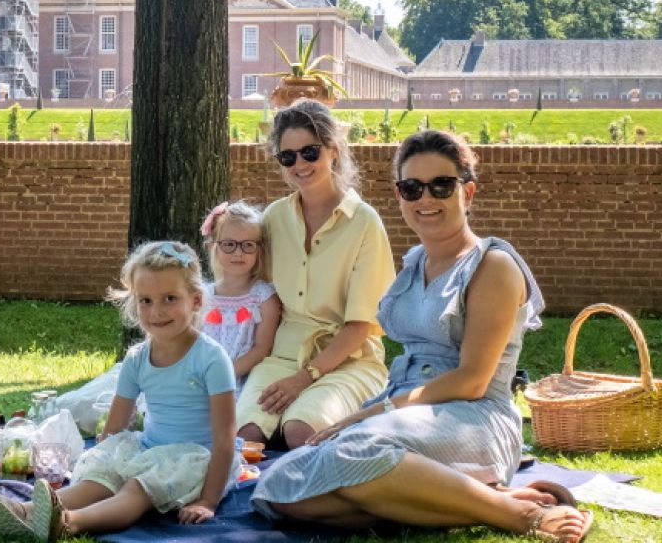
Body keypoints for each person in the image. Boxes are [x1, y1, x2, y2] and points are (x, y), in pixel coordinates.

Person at [251, 130, 593, 542]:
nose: (425, 200)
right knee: (279, 490)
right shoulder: (415, 263)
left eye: (441, 186)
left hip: (473, 417)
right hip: (403, 415)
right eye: (411, 188)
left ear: (467, 192)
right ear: (399, 197)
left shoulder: (493, 266)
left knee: (353, 454)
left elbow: (472, 381)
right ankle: (461, 499)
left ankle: (515, 515)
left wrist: (369, 414)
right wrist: (380, 414)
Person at [0, 241, 240, 540]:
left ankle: (67, 523)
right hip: (149, 449)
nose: (157, 311)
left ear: (195, 301)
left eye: (169, 298)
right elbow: (114, 426)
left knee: (136, 489)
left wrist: (208, 500)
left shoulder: (211, 358)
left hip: (197, 459)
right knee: (101, 480)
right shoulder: (138, 358)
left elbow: (224, 438)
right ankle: (25, 511)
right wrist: (106, 460)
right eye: (146, 301)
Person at [237, 98, 397, 450]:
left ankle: (316, 497)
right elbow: (250, 290)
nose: (300, 164)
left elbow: (360, 326)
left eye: (310, 152)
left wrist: (304, 379)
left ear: (333, 150)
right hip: (282, 356)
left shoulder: (365, 222)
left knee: (300, 432)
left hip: (351, 360)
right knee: (246, 436)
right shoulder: (273, 220)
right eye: (287, 156)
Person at [198, 201, 281, 392]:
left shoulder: (264, 297)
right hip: (202, 375)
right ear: (213, 247)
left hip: (242, 378)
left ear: (259, 250)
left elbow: (262, 349)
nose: (238, 252)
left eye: (248, 245)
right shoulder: (203, 296)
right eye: (229, 244)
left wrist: (223, 375)